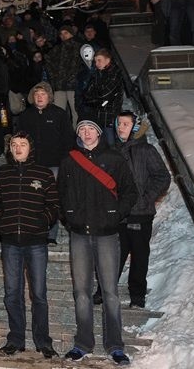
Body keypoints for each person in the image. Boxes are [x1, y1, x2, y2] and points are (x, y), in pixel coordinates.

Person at [58, 119, 138, 365]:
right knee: (81, 292)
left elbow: (130, 191)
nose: (86, 132)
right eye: (82, 129)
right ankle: (83, 343)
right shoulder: (69, 160)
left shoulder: (114, 159)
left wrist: (115, 213)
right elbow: (60, 193)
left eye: (91, 128)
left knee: (110, 292)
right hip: (79, 234)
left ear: (99, 133)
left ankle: (115, 345)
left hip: (106, 234)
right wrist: (69, 216)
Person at [0, 131, 60, 359]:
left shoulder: (44, 174)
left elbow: (54, 204)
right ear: (9, 149)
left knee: (38, 294)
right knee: (12, 293)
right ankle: (16, 339)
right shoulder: (1, 174)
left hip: (36, 242)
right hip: (10, 243)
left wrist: (41, 221)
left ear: (30, 148)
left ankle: (43, 342)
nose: (18, 148)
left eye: (23, 144)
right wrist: (1, 221)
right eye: (14, 145)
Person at [93, 111, 171, 309]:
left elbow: (162, 177)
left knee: (139, 255)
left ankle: (137, 297)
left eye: (126, 124)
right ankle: (104, 291)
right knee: (113, 254)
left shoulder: (146, 150)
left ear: (135, 127)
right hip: (117, 214)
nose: (121, 128)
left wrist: (146, 198)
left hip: (140, 213)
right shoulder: (112, 151)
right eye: (119, 124)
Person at [13, 81, 76, 244]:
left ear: (49, 97)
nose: (40, 97)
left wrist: (65, 161)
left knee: (51, 199)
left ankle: (50, 234)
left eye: (43, 94)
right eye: (37, 94)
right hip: (32, 165)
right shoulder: (26, 116)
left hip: (54, 164)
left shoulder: (59, 114)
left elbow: (69, 139)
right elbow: (18, 139)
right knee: (31, 199)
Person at [80, 48, 124, 143]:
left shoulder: (115, 73)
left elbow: (106, 94)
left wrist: (94, 99)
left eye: (99, 60)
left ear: (107, 60)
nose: (97, 63)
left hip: (109, 116)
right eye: (95, 61)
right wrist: (97, 100)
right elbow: (86, 93)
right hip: (97, 115)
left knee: (111, 143)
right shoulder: (97, 73)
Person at [46, 25, 83, 127]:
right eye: (61, 34)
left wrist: (75, 76)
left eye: (66, 33)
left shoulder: (79, 47)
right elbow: (48, 61)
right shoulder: (57, 48)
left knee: (76, 112)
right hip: (59, 86)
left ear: (71, 33)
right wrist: (54, 78)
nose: (63, 36)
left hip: (74, 86)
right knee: (58, 113)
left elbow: (84, 66)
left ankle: (77, 136)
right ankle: (60, 135)